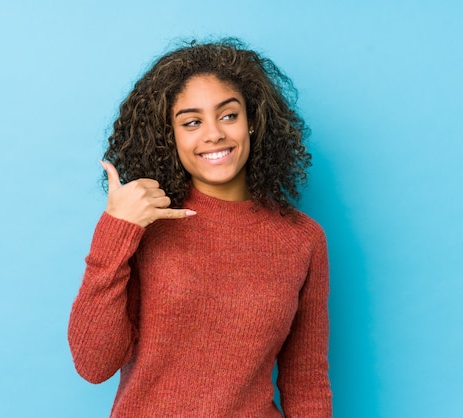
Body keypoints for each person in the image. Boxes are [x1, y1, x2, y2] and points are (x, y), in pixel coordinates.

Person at [68, 38, 332, 417]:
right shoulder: (143, 226)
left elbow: (306, 383)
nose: (213, 134)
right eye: (192, 122)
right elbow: (94, 365)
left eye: (228, 115)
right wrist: (115, 230)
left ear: (252, 122)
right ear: (169, 136)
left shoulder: (302, 239)